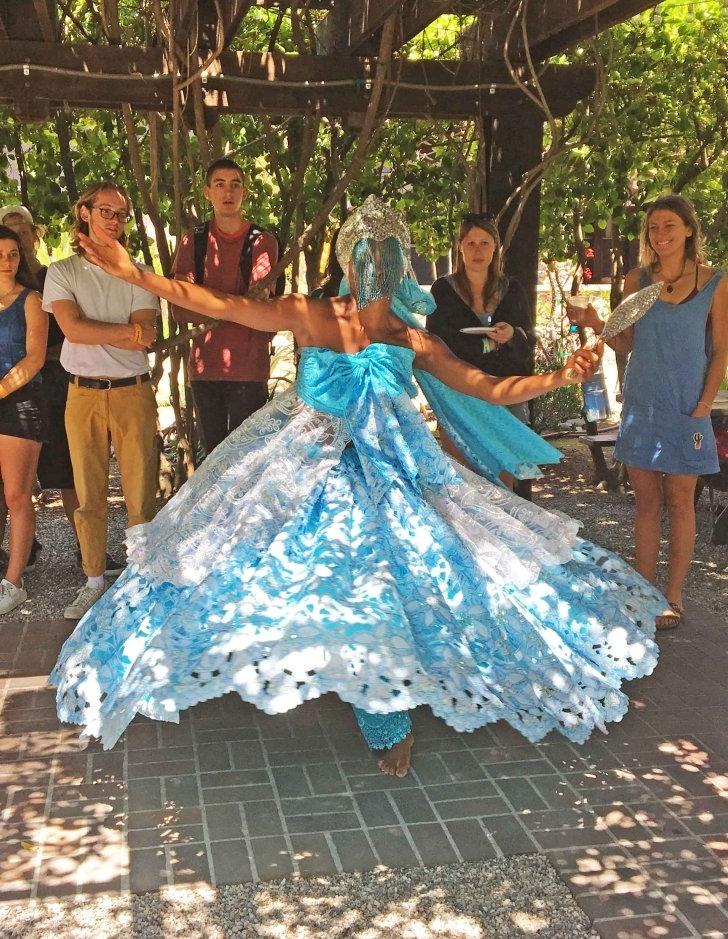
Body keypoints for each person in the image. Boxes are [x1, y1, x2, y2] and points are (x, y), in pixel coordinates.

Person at [51, 197, 663, 779]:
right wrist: (141, 275)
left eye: (386, 255)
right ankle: (254, 666)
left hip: (392, 471)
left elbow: (488, 387)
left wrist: (560, 374)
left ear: (401, 265)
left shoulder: (412, 337)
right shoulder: (312, 315)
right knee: (242, 563)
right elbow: (219, 303)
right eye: (363, 255)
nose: (375, 265)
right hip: (305, 465)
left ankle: (384, 711)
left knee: (391, 580)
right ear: (347, 263)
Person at [567, 194, 728, 630]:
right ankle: (643, 591)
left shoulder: (714, 281)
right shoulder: (637, 280)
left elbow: (720, 354)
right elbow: (624, 343)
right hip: (642, 407)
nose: (660, 235)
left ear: (689, 230)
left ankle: (672, 595)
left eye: (669, 226)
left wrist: (700, 407)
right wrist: (598, 321)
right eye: (653, 228)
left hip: (687, 409)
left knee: (681, 504)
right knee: (645, 505)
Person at [42, 181, 159, 621]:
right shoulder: (64, 271)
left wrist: (103, 330)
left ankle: (142, 579)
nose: (114, 220)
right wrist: (124, 333)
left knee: (140, 490)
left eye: (121, 214)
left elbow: (146, 335)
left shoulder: (138, 271)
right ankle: (93, 581)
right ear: (85, 213)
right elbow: (73, 330)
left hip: (133, 392)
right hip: (83, 393)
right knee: (88, 492)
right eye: (105, 211)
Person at [172, 158, 279, 457]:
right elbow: (179, 309)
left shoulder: (262, 241)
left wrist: (203, 299)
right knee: (213, 460)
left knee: (247, 460)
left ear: (244, 192)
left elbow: (259, 309)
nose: (227, 192)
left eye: (235, 184)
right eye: (219, 184)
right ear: (207, 192)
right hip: (205, 369)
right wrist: (236, 306)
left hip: (249, 368)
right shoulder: (193, 241)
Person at [427, 213, 536, 498]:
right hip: (459, 396)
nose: (478, 250)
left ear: (495, 248)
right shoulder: (442, 290)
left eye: (484, 243)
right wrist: (489, 346)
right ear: (460, 247)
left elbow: (527, 345)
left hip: (506, 394)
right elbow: (438, 347)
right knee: (462, 482)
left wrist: (512, 335)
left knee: (506, 485)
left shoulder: (512, 290)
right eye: (471, 243)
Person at [0, 205, 82, 570]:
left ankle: (88, 551)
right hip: (18, 391)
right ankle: (22, 553)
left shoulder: (50, 281)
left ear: (35, 235)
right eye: (8, 234)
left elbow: (59, 344)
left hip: (46, 394)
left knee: (63, 474)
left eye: (23, 234)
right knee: (9, 488)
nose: (11, 254)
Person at [0, 225, 48, 614]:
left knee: (16, 495)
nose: (7, 261)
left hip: (21, 404)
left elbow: (34, 358)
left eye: (14, 253)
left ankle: (13, 583)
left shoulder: (31, 300)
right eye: (0, 253)